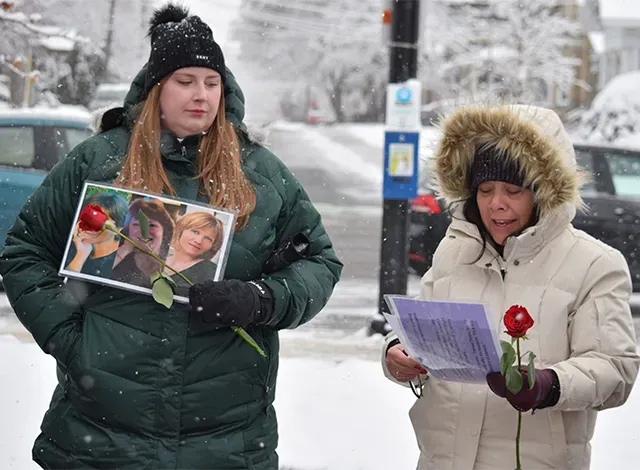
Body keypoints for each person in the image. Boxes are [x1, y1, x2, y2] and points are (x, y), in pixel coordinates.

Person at [0, 3, 342, 469]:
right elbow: (25, 251)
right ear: (158, 88)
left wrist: (260, 299)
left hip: (226, 440)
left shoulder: (261, 173)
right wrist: (72, 339)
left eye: (211, 82)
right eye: (185, 81)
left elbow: (319, 262)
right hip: (100, 437)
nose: (200, 94)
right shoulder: (99, 161)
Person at [382, 104, 640, 470]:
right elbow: (424, 329)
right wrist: (396, 352)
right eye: (485, 189)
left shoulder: (595, 264)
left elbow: (616, 369)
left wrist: (549, 385)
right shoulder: (455, 251)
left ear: (543, 192)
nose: (496, 204)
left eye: (513, 190)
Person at [110, 198, 175, 288]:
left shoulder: (173, 261)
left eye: (152, 225)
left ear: (164, 231)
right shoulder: (118, 258)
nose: (144, 231)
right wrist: (124, 249)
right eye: (137, 224)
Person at [65, 191, 129, 277]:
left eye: (99, 220)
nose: (89, 225)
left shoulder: (120, 262)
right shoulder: (70, 244)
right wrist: (81, 255)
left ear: (118, 229)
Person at [164, 211, 223, 297]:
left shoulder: (211, 271)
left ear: (213, 245)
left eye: (207, 238)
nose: (198, 241)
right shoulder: (157, 259)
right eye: (195, 232)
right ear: (180, 231)